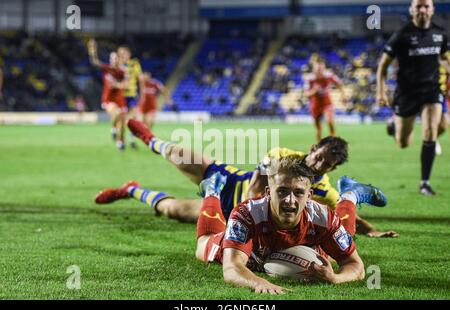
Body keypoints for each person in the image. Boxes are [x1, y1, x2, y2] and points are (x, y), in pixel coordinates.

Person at [95, 119, 398, 238]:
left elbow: (343, 212)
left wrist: (370, 230)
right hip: (229, 182)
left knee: (170, 210)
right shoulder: (282, 154)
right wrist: (241, 221)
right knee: (178, 153)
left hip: (229, 212)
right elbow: (255, 185)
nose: (320, 165)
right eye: (319, 157)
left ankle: (131, 189)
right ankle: (149, 138)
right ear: (313, 148)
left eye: (327, 165)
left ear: (332, 169)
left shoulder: (322, 188)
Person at [194, 157, 386, 293]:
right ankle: (212, 190)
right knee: (202, 245)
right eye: (282, 191)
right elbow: (232, 268)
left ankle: (350, 195)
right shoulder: (247, 214)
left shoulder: (323, 218)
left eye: (299, 193)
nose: (289, 200)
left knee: (340, 243)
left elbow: (355, 266)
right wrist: (258, 283)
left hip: (303, 247)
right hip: (250, 256)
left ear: (309, 196)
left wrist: (335, 278)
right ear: (268, 192)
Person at [376, 0, 450, 195]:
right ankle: (395, 127)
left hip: (431, 90)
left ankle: (424, 183)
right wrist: (381, 91)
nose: (423, 10)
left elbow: (443, 57)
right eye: (419, 6)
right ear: (412, 10)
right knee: (403, 142)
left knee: (432, 132)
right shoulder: (402, 35)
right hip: (406, 93)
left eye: (426, 6)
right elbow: (383, 65)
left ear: (432, 10)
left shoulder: (440, 34)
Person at [87, 39, 128, 150]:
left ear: (119, 60)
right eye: (112, 58)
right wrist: (92, 50)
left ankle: (121, 142)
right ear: (110, 60)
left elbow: (126, 85)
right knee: (117, 114)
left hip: (120, 99)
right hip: (108, 98)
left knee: (123, 122)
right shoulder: (107, 68)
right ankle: (114, 128)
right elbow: (95, 61)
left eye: (116, 58)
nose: (114, 60)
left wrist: (117, 85)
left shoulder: (123, 71)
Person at [304, 57, 347, 142]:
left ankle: (332, 142)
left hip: (327, 102)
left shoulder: (329, 75)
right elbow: (306, 94)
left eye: (321, 68)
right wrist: (314, 91)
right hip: (315, 105)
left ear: (323, 68)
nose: (319, 70)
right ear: (314, 69)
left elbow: (339, 84)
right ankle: (319, 145)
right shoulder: (310, 78)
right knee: (318, 128)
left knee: (330, 121)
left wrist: (343, 95)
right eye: (317, 69)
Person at [117, 46, 142, 149]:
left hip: (132, 95)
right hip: (120, 96)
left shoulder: (134, 64)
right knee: (121, 120)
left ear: (128, 54)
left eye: (124, 53)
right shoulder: (116, 65)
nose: (122, 55)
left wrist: (141, 93)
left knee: (133, 119)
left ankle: (132, 140)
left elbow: (140, 79)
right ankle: (121, 141)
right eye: (120, 53)